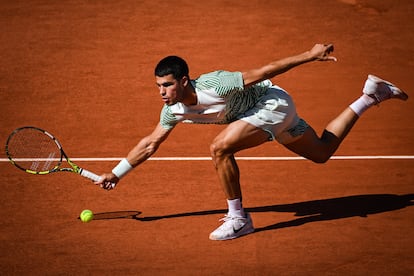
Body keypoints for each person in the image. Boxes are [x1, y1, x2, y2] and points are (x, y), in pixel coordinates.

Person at [96, 43, 408, 241]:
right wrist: (117, 172)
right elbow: (151, 143)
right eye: (158, 86)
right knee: (323, 151)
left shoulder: (215, 84)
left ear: (184, 81)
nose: (162, 92)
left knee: (219, 147)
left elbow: (262, 72)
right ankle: (370, 96)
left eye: (166, 85)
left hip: (272, 104)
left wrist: (309, 56)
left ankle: (238, 218)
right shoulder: (172, 111)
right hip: (268, 117)